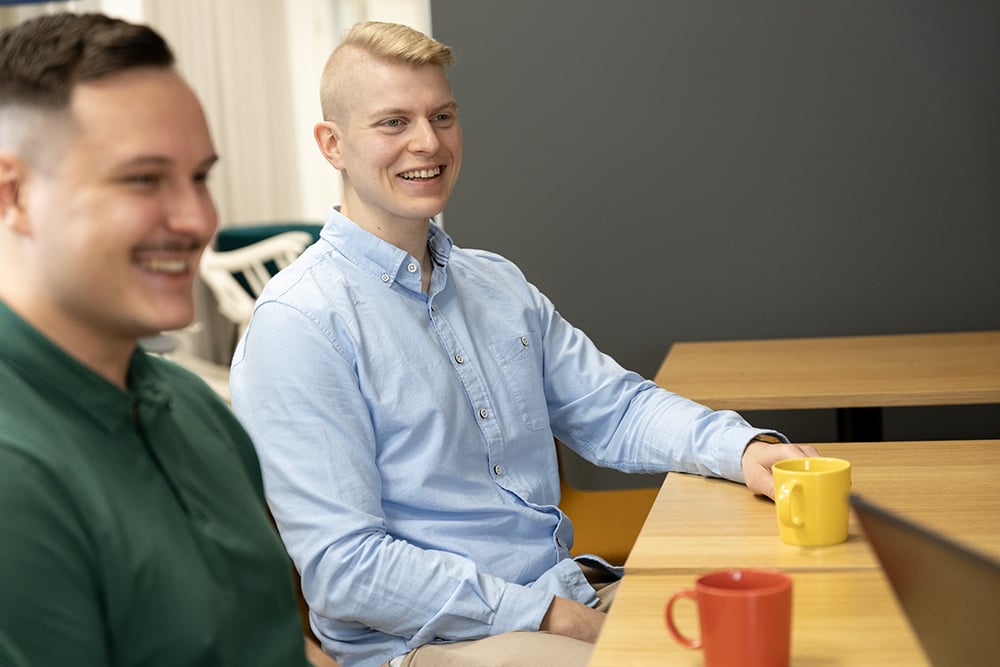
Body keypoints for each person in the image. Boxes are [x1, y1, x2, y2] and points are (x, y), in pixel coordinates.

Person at [229, 20, 820, 667]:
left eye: (442, 115)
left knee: (793, 633)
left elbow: (613, 408)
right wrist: (549, 615)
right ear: (332, 144)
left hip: (563, 598)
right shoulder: (300, 323)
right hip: (432, 645)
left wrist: (746, 449)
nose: (428, 142)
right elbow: (347, 568)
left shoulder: (496, 283)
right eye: (393, 122)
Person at [0, 12, 340, 667]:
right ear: (13, 195)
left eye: (201, 176)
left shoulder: (197, 411)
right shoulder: (16, 476)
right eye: (144, 178)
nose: (199, 219)